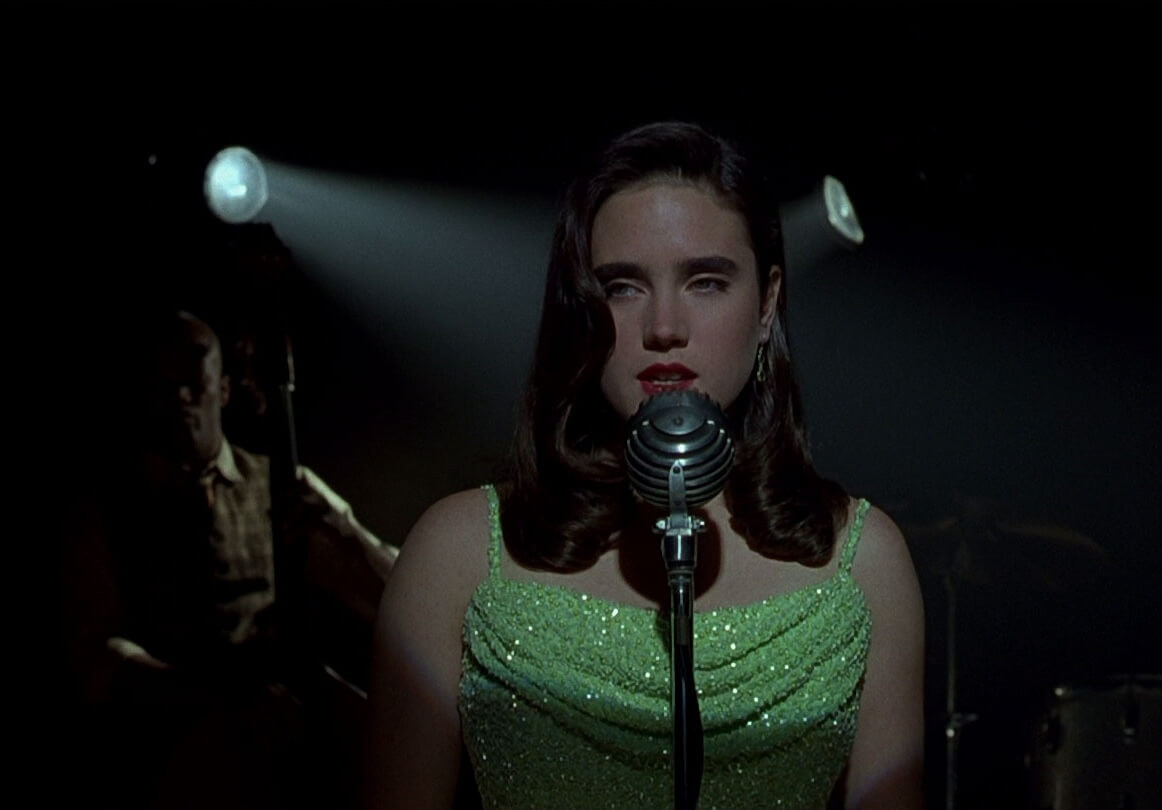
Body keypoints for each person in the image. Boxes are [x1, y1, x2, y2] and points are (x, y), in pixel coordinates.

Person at [366, 121, 925, 809]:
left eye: (706, 282)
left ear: (767, 304)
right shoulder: (458, 553)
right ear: (580, 307)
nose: (664, 327)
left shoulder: (863, 564)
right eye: (623, 287)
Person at [60, 310, 399, 809]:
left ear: (222, 388)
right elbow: (97, 656)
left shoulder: (282, 484)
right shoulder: (107, 506)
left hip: (286, 717)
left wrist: (348, 535)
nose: (180, 395)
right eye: (164, 381)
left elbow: (397, 594)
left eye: (193, 376)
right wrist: (208, 698)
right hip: (172, 735)